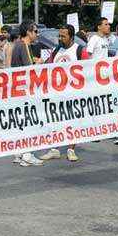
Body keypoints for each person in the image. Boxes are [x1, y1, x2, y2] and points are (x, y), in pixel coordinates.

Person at [39, 24, 89, 163]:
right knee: (54, 121)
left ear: (71, 37)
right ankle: (54, 149)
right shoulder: (56, 51)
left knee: (72, 121)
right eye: (59, 36)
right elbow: (48, 67)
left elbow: (88, 69)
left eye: (63, 36)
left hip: (73, 94)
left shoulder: (79, 50)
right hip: (56, 94)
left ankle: (71, 149)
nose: (60, 38)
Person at [11, 20, 43, 167]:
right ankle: (27, 155)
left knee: (21, 123)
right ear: (28, 32)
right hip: (25, 90)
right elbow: (28, 69)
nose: (37, 34)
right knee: (30, 122)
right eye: (35, 31)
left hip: (18, 89)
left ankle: (19, 154)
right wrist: (39, 63)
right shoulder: (23, 45)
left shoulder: (17, 44)